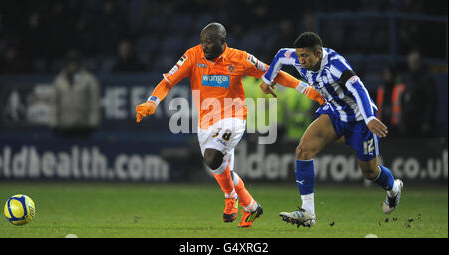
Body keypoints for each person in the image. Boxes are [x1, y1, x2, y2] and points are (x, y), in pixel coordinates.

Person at [135, 23, 326, 228]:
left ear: (223, 42)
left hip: (233, 118)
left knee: (212, 157)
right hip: (205, 123)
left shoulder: (240, 58)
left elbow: (273, 73)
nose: (205, 46)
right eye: (202, 42)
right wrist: (152, 102)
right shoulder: (192, 55)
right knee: (220, 168)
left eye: (209, 42)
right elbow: (167, 81)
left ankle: (230, 198)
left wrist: (307, 90)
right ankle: (251, 207)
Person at [259, 32, 403, 227]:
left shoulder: (336, 66)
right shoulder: (297, 59)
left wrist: (369, 118)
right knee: (303, 150)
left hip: (359, 118)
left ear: (318, 54)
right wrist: (268, 81)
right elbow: (280, 55)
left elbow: (359, 88)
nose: (301, 61)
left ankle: (393, 189)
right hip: (335, 113)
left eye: (306, 56)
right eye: (299, 56)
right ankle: (308, 212)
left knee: (370, 172)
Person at [52, 50, 101, 138]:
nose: (72, 65)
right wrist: (54, 123)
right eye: (70, 62)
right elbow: (54, 104)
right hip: (64, 127)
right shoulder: (59, 81)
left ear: (79, 63)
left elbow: (94, 104)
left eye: (75, 62)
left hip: (83, 127)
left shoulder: (88, 79)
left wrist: (93, 123)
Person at [400, 50, 438, 137]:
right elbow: (404, 99)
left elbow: (431, 101)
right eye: (409, 62)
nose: (410, 64)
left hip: (422, 123)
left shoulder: (427, 78)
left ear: (419, 63)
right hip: (409, 122)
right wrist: (403, 120)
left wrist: (427, 121)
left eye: (413, 62)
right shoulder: (408, 77)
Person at [375, 65, 405, 137]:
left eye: (388, 73)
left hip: (396, 125)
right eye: (385, 74)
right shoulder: (381, 89)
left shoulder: (400, 88)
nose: (386, 75)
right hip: (382, 124)